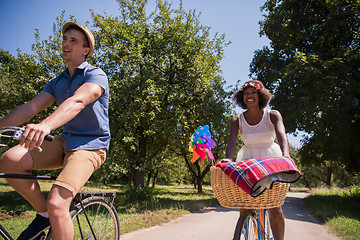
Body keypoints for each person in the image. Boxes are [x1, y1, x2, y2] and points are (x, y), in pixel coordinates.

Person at [0, 22, 110, 239]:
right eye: (65, 39)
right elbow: (31, 107)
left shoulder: (95, 75)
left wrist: (45, 125)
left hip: (90, 147)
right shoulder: (57, 81)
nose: (66, 44)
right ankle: (44, 215)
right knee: (9, 160)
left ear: (85, 50)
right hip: (64, 141)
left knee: (58, 203)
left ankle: (53, 211)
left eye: (74, 41)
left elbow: (78, 101)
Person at [221, 80, 290, 240]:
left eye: (253, 93)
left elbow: (281, 135)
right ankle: (247, 230)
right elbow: (231, 141)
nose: (249, 96)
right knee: (245, 204)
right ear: (241, 97)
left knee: (274, 206)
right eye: (246, 93)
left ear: (260, 96)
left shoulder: (272, 115)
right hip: (248, 159)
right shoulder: (237, 120)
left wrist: (286, 155)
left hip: (271, 159)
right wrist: (228, 159)